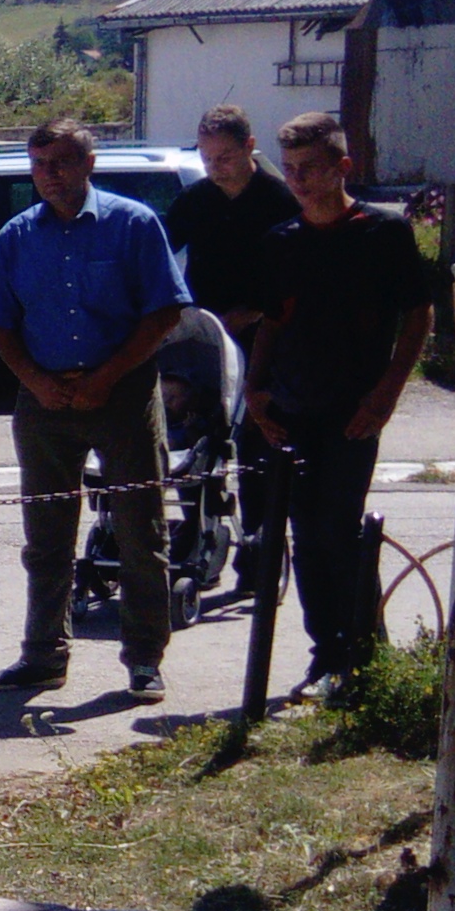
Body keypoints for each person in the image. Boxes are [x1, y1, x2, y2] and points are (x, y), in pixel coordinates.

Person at [0, 118, 193, 701]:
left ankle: (144, 659)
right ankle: (43, 655)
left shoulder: (134, 224)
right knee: (45, 537)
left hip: (121, 397)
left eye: (63, 162)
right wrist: (38, 383)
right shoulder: (17, 235)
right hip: (44, 401)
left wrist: (105, 378)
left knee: (139, 531)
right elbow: (0, 322)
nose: (51, 176)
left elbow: (164, 314)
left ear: (89, 163)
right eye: (40, 165)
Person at [247, 114, 431, 695]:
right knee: (303, 534)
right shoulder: (281, 242)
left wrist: (388, 392)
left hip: (355, 411)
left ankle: (365, 655)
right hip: (292, 407)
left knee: (340, 530)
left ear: (342, 167)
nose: (299, 180)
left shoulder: (383, 234)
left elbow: (418, 316)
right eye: (292, 170)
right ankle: (327, 653)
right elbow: (272, 322)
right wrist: (253, 390)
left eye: (311, 169)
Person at [165, 106, 292, 602]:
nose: (215, 166)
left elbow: (295, 271)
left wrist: (256, 312)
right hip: (205, 335)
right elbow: (162, 255)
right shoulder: (195, 200)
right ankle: (200, 540)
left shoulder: (278, 200)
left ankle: (261, 558)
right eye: (206, 157)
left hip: (264, 332)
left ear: (248, 147)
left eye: (224, 156)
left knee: (260, 448)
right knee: (195, 443)